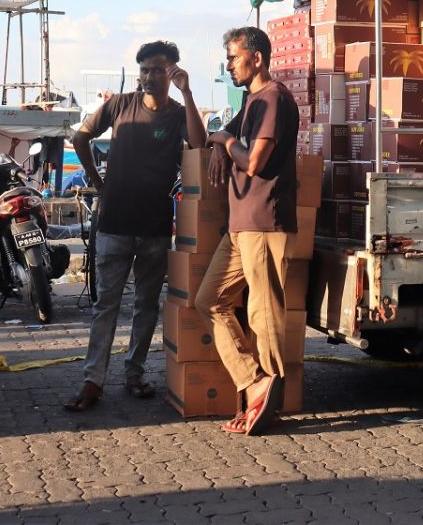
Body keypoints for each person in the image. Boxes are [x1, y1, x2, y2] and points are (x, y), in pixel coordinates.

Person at [64, 40, 206, 411]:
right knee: (106, 305)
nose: (149, 76)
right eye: (144, 70)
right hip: (114, 223)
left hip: (155, 227)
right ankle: (93, 380)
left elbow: (199, 144)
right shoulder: (119, 105)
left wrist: (188, 93)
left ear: (172, 73)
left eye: (158, 70)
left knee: (146, 305)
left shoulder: (178, 113)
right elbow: (80, 136)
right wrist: (96, 179)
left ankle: (134, 373)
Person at [195, 26, 299, 436]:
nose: (228, 65)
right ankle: (254, 381)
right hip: (240, 225)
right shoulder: (251, 101)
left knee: (263, 313)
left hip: (264, 221)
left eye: (234, 58)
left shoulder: (273, 98)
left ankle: (269, 399)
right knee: (209, 300)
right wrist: (220, 142)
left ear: (256, 58)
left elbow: (254, 161)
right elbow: (218, 137)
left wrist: (225, 142)